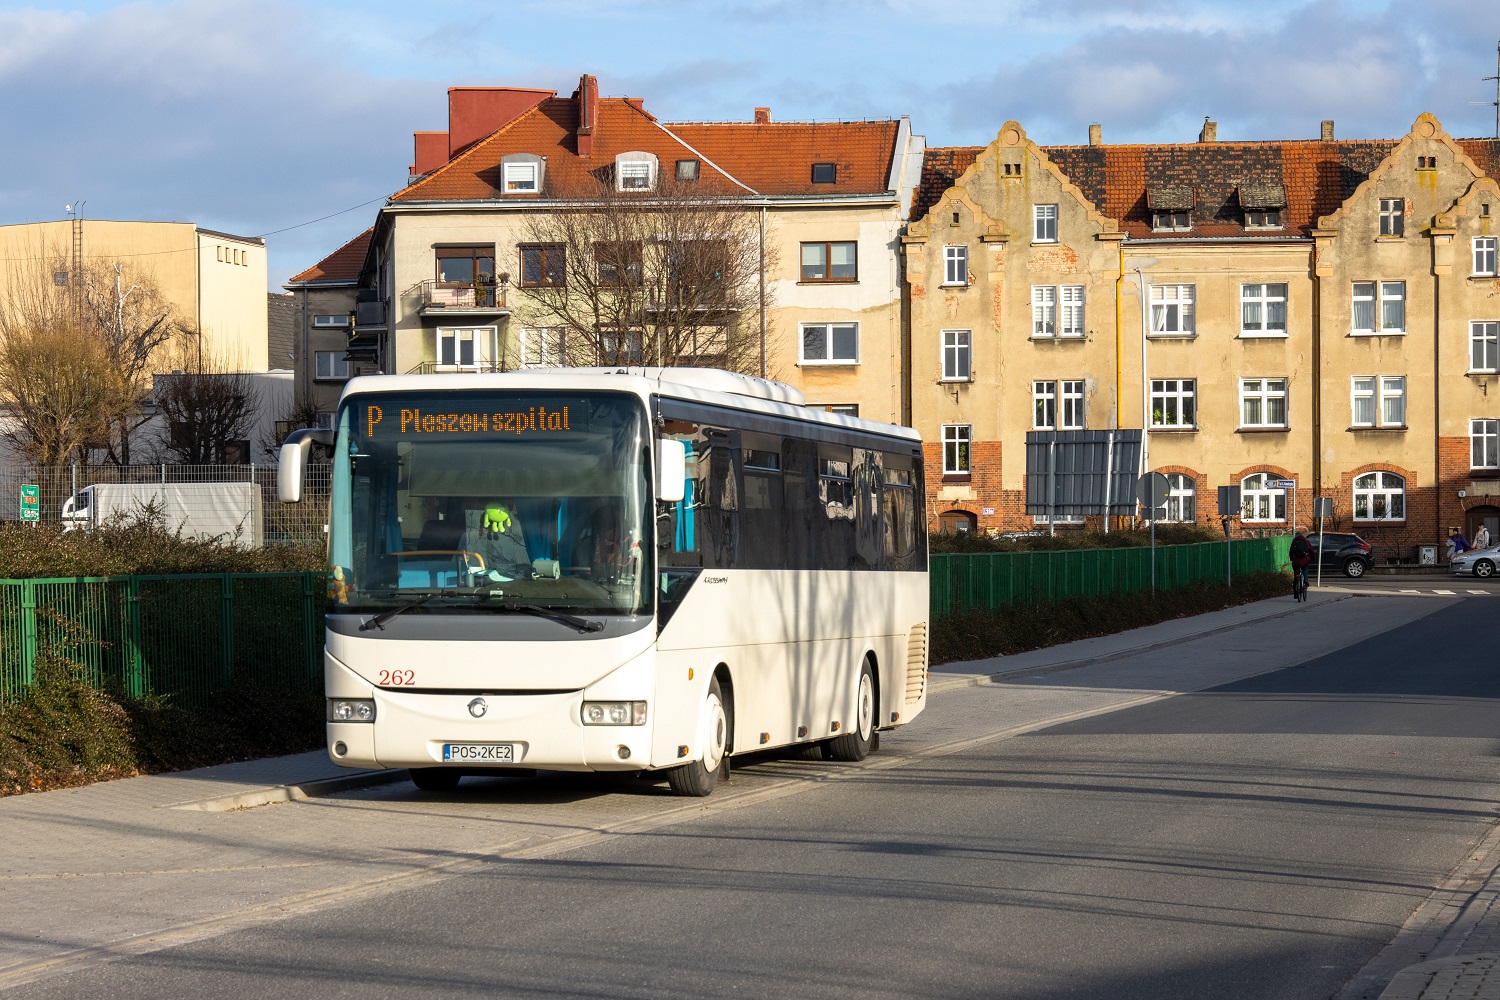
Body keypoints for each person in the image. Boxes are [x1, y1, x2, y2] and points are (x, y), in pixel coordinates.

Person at [1289, 531, 1313, 598]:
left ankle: (1296, 594)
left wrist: (1291, 559)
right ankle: (1305, 580)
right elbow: (1311, 551)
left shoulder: (1294, 542)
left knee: (1296, 578)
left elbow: (1291, 552)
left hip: (1296, 561)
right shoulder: (1307, 542)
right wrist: (1312, 558)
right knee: (1305, 568)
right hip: (1305, 560)